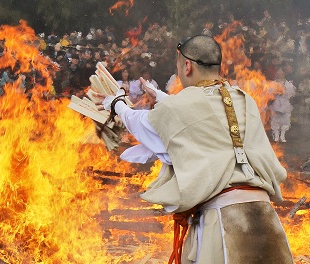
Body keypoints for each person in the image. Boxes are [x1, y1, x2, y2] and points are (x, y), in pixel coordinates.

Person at [96, 35, 292, 264]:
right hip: (267, 220)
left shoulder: (184, 103)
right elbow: (208, 120)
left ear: (187, 65)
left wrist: (117, 103)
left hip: (223, 223)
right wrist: (162, 99)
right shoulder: (243, 99)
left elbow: (145, 123)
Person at [269, 68, 296, 142]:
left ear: (284, 74)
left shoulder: (289, 84)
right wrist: (276, 92)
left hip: (285, 103)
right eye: (278, 72)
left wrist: (284, 91)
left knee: (285, 120)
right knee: (275, 119)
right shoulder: (273, 83)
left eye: (281, 72)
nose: (279, 74)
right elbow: (269, 93)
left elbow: (291, 94)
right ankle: (276, 135)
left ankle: (283, 135)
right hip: (276, 103)